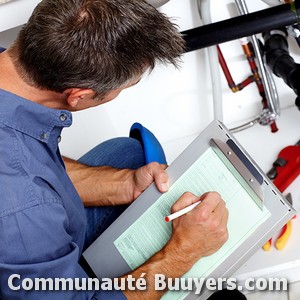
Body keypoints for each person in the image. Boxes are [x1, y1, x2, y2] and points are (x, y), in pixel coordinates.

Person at [0, 0, 232, 299]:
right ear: (78, 96)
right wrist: (185, 251)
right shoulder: (23, 210)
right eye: (125, 86)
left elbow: (31, 166)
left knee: (127, 154)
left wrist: (124, 185)